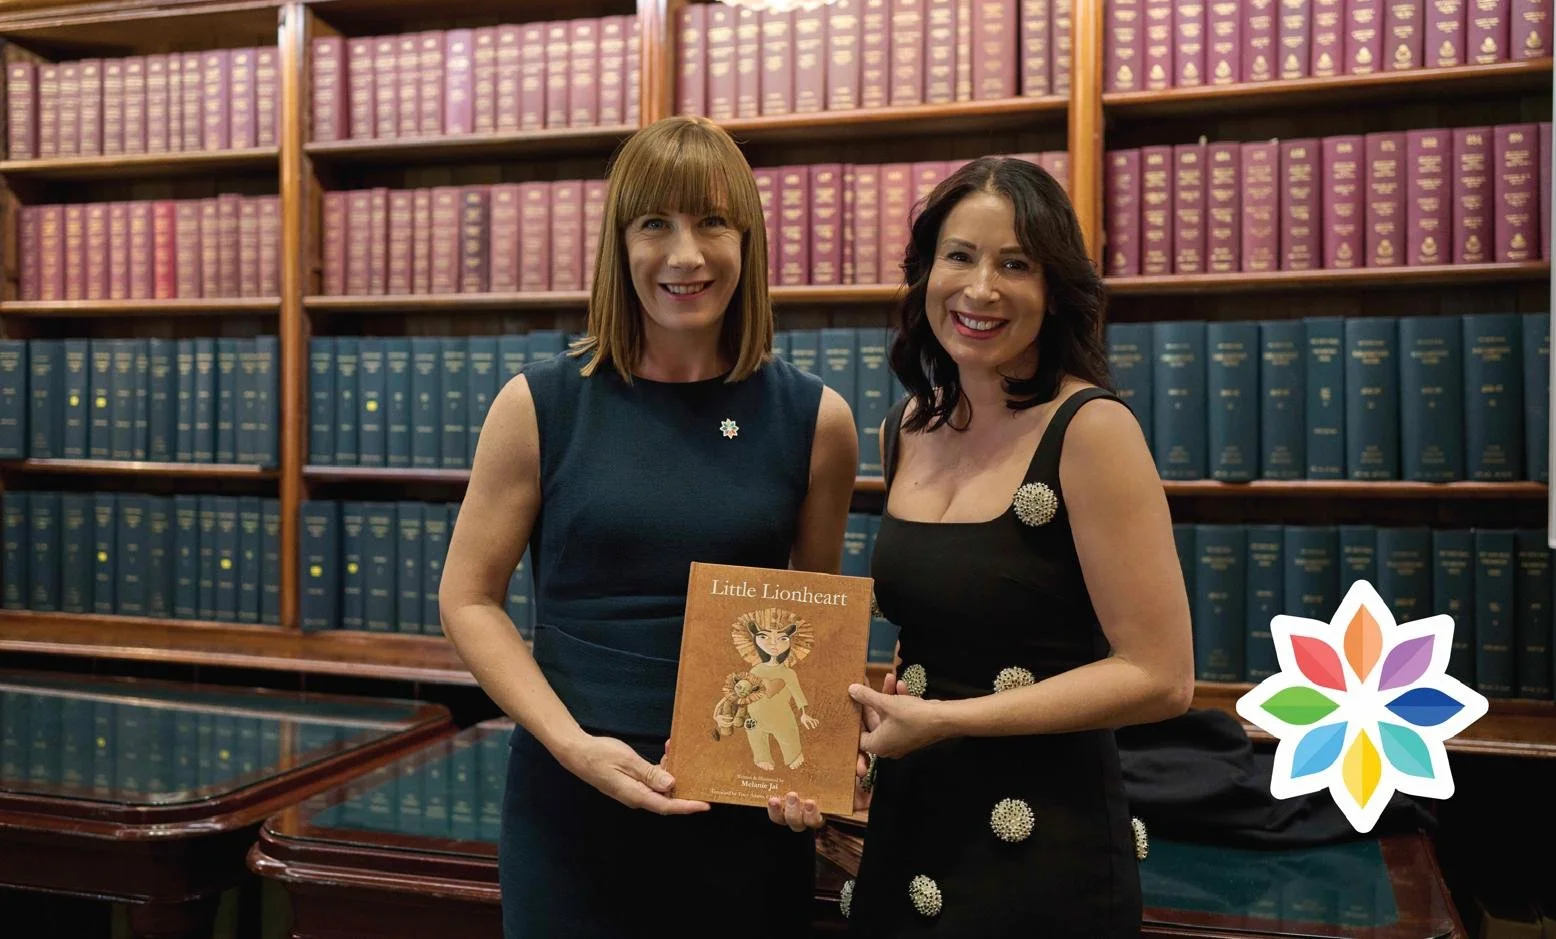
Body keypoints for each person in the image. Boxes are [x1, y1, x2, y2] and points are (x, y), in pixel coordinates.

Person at [436, 116, 860, 939]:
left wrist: (813, 766)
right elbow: (468, 598)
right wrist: (570, 743)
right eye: (655, 224)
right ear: (619, 243)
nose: (685, 255)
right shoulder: (538, 405)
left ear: (748, 240)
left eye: (711, 223)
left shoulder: (819, 421)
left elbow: (809, 626)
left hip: (742, 816)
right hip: (572, 801)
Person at [841, 155, 1193, 935]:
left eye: (1015, 264)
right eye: (959, 255)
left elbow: (1162, 677)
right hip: (913, 818)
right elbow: (933, 630)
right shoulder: (906, 427)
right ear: (925, 270)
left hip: (1042, 841)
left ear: (1054, 289)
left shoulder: (1092, 431)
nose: (980, 289)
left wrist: (951, 720)